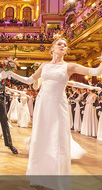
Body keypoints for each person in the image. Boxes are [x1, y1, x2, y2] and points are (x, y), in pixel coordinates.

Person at [9, 37, 102, 190]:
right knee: (41, 137)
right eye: (60, 44)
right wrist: (11, 74)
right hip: (42, 105)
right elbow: (28, 80)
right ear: (52, 48)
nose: (63, 46)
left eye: (65, 45)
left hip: (58, 105)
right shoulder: (44, 66)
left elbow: (94, 71)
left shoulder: (69, 66)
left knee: (57, 138)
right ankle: (39, 175)